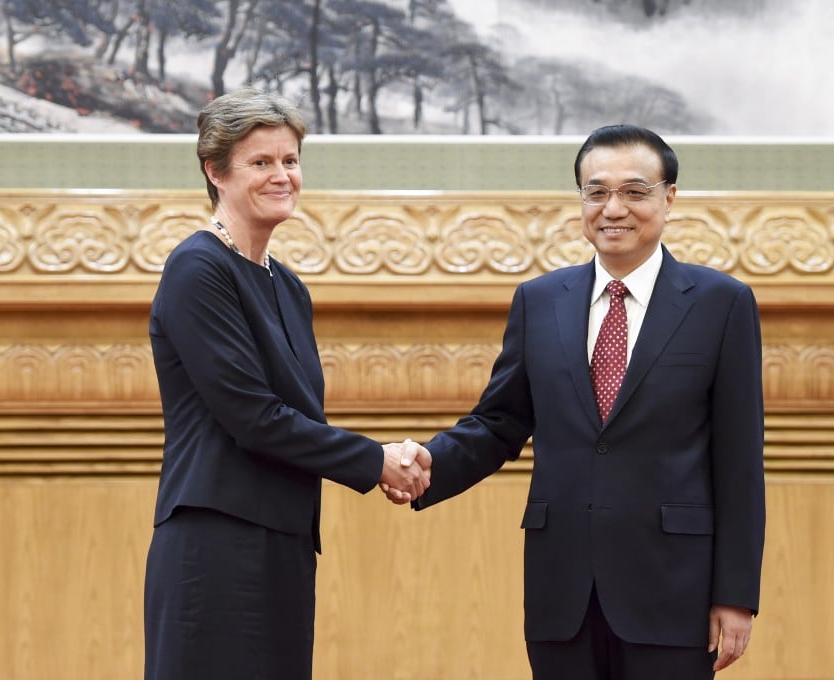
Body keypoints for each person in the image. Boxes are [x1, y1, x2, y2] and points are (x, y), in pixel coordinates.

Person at [392, 124, 765, 678]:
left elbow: (738, 462)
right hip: (561, 590)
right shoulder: (539, 301)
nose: (613, 207)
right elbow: (498, 423)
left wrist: (735, 595)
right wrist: (430, 462)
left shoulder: (721, 304)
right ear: (581, 201)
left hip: (673, 590)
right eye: (596, 192)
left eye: (635, 192)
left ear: (669, 198)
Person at [143, 87, 430, 680]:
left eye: (291, 160)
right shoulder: (197, 268)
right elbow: (253, 417)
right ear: (214, 171)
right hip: (216, 544)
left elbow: (298, 417)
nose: (283, 176)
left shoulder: (288, 285)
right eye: (261, 162)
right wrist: (376, 460)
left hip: (282, 543)